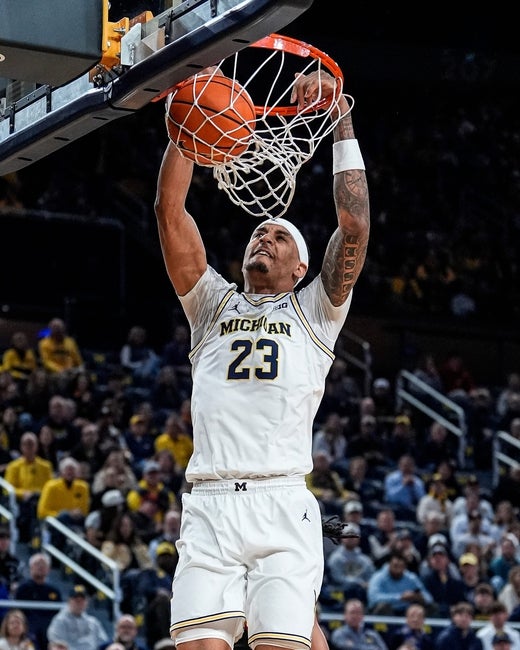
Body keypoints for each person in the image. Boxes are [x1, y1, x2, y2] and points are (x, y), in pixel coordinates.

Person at [154, 66, 370, 650]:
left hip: (281, 502)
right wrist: (189, 121)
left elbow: (354, 224)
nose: (263, 238)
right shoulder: (211, 304)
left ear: (301, 267)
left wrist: (340, 115)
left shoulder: (316, 310)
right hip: (210, 503)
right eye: (258, 234)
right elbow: (170, 211)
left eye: (279, 237)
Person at [4, 431, 54, 543]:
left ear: (36, 446)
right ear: (21, 446)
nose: (29, 447)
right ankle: (30, 539)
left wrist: (39, 493)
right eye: (26, 444)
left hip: (41, 499)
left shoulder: (46, 466)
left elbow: (50, 486)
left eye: (31, 444)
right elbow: (8, 489)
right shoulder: (13, 466)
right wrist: (23, 493)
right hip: (22, 502)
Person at [14, 552, 63, 650]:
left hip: (48, 628)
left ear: (49, 569)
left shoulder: (54, 591)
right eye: (37, 564)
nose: (40, 567)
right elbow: (18, 611)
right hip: (28, 626)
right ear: (30, 567)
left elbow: (58, 613)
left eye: (44, 565)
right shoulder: (23, 588)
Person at [47, 584, 109, 650]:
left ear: (87, 602)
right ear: (69, 601)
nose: (79, 603)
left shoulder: (93, 622)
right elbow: (56, 644)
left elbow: (103, 643)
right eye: (76, 600)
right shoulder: (59, 621)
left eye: (82, 600)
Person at [37, 318, 84, 392]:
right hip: (53, 372)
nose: (58, 331)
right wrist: (60, 370)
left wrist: (80, 368)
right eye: (55, 328)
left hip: (71, 371)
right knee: (63, 378)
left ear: (63, 329)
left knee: (84, 377)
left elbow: (77, 359)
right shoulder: (44, 343)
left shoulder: (70, 342)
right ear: (51, 329)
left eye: (59, 328)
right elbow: (46, 362)